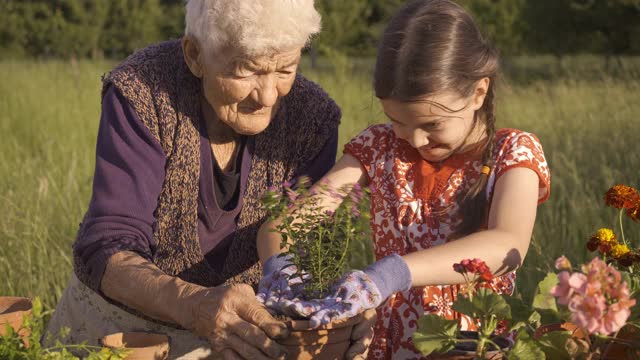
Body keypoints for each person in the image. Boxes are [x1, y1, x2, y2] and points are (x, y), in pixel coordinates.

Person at [45, 1, 375, 359]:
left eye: (285, 69)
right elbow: (106, 243)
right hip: (119, 332)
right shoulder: (143, 92)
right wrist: (194, 305)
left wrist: (338, 308)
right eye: (246, 71)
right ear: (195, 55)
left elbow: (300, 256)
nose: (266, 95)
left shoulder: (313, 119)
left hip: (240, 340)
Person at [256, 0, 551, 358]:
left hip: (472, 348)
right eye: (398, 121)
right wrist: (282, 271)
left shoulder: (513, 152)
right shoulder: (378, 147)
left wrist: (392, 273)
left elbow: (507, 245)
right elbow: (285, 226)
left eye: (432, 125)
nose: (415, 140)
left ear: (478, 92)